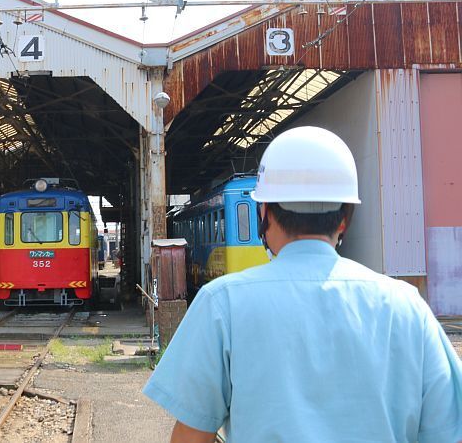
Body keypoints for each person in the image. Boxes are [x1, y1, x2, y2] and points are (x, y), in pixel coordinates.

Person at [143, 126, 462, 442]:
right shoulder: (409, 309)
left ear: (263, 214)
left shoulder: (221, 305)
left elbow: (191, 436)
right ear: (346, 216)